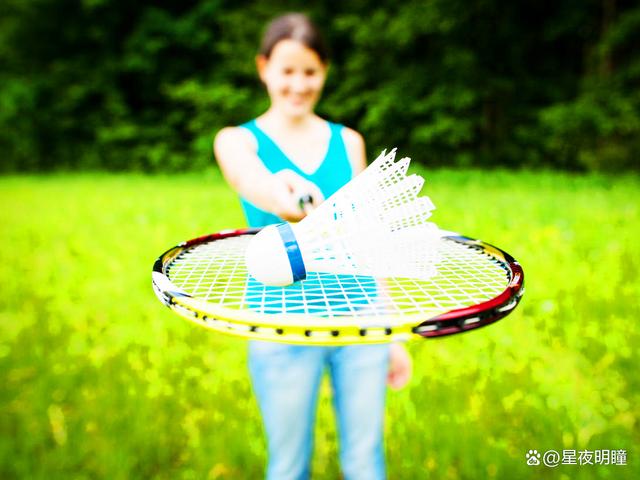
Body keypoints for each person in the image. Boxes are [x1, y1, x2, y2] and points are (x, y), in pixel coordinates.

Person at [214, 13, 412, 480]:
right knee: (287, 467)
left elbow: (369, 240)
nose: (298, 84)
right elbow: (249, 178)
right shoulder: (238, 141)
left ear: (324, 72)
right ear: (263, 68)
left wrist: (393, 334)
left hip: (358, 321)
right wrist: (281, 195)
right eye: (286, 71)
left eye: (310, 72)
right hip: (280, 325)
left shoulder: (350, 142)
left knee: (366, 463)